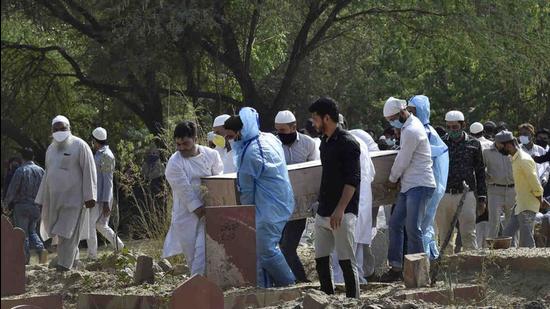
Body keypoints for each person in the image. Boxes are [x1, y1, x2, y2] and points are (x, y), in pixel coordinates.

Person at [223, 107, 296, 288]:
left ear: (241, 132)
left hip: (267, 209)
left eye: (231, 136)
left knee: (266, 251)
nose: (229, 141)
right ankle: (266, 288)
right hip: (281, 200)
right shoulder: (268, 138)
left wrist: (248, 216)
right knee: (261, 249)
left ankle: (289, 284)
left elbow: (246, 192)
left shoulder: (250, 154)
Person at [308, 97, 360, 298]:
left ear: (326, 118)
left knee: (346, 260)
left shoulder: (348, 143)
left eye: (315, 118)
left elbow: (352, 180)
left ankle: (352, 301)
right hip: (324, 210)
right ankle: (326, 298)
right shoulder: (325, 142)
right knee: (321, 259)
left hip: (342, 212)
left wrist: (340, 209)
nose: (313, 123)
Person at [379, 97, 435, 282]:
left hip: (419, 184)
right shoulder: (407, 126)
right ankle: (396, 268)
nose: (392, 122)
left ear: (402, 112)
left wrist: (391, 179)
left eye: (393, 118)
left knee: (413, 228)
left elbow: (403, 159)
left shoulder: (411, 130)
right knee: (395, 224)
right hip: (409, 185)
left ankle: (418, 273)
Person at [35, 115, 97, 271]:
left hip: (74, 199)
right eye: (55, 129)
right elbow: (48, 174)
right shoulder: (50, 149)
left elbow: (89, 170)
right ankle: (74, 262)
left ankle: (63, 267)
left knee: (67, 232)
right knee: (60, 234)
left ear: (69, 128)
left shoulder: (80, 146)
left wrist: (90, 196)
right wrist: (41, 199)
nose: (59, 132)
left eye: (62, 129)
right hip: (54, 201)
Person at [162, 121, 223, 275]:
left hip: (211, 209)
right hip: (186, 214)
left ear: (195, 138)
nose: (182, 148)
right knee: (193, 257)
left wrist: (215, 210)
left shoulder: (212, 155)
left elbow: (219, 181)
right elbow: (186, 193)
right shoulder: (174, 163)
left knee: (203, 253)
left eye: (186, 144)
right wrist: (202, 211)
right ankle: (197, 286)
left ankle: (201, 286)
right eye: (178, 144)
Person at [274, 110, 318, 283]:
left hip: (300, 205)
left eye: (283, 130)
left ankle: (300, 280)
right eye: (278, 130)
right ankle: (292, 279)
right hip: (279, 203)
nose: (280, 134)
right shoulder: (274, 144)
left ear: (294, 127)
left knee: (288, 246)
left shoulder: (308, 144)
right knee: (280, 246)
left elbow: (314, 172)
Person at [436, 110, 486, 253]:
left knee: (469, 233)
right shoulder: (441, 143)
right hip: (444, 194)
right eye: (449, 127)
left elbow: (480, 172)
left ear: (463, 125)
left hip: (467, 195)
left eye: (455, 127)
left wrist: (482, 198)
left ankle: (473, 269)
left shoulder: (474, 144)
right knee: (445, 236)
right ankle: (447, 268)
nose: (452, 130)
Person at [407, 95, 449, 260]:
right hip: (432, 184)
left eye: (413, 110)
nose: (410, 113)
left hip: (428, 184)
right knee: (426, 224)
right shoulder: (426, 131)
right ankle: (431, 257)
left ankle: (425, 261)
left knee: (422, 225)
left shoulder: (425, 132)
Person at [495, 131, 544, 248]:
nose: (498, 149)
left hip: (527, 204)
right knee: (507, 234)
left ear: (508, 145)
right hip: (520, 204)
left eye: (499, 146)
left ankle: (532, 263)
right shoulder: (515, 159)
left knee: (526, 238)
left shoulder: (523, 159)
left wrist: (539, 198)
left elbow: (534, 181)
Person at [3, 148, 47, 264]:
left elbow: (13, 189)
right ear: (33, 157)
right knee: (32, 231)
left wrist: (6, 204)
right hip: (36, 206)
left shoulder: (20, 170)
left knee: (22, 234)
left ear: (22, 158)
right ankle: (41, 250)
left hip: (22, 206)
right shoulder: (41, 171)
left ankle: (25, 259)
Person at [86, 127, 124, 259]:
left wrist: (106, 202)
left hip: (101, 198)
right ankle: (119, 246)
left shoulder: (107, 155)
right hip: (98, 196)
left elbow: (108, 181)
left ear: (95, 140)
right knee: (100, 225)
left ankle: (92, 255)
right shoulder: (98, 154)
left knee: (92, 225)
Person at [470, 122, 493, 248]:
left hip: (477, 185)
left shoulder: (471, 144)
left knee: (479, 215)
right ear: (483, 132)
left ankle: (478, 246)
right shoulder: (490, 144)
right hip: (491, 185)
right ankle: (489, 246)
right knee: (490, 216)